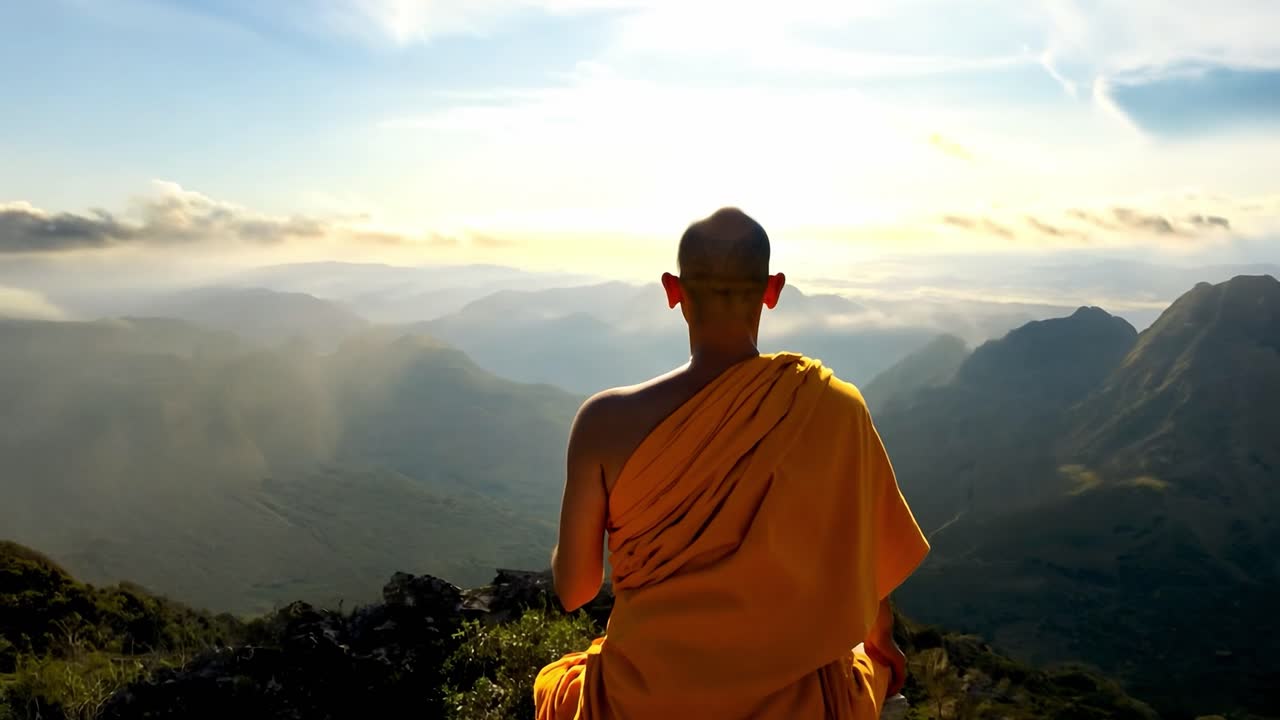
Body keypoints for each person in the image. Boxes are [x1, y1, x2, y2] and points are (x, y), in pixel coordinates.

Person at [534, 208, 930, 719]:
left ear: (673, 290)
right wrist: (882, 641)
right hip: (795, 700)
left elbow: (575, 589)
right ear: (774, 290)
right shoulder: (833, 407)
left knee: (555, 683)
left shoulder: (602, 422)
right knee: (857, 674)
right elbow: (865, 559)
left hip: (644, 697)